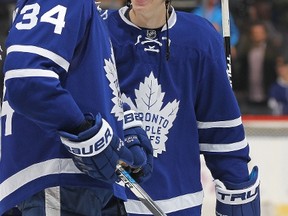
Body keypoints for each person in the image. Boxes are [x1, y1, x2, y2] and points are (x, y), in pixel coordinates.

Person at [105, 0, 260, 215]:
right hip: (109, 204)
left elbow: (222, 135)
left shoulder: (200, 38)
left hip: (180, 205)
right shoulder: (99, 32)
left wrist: (238, 192)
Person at [0, 0, 153, 215]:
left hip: (80, 183)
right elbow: (27, 80)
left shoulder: (88, 11)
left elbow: (84, 85)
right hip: (59, 176)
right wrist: (82, 131)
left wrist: (122, 124)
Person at [234, 20, 279, 115]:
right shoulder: (245, 52)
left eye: (260, 32)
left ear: (265, 34)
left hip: (268, 98)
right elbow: (241, 73)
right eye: (255, 33)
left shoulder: (273, 52)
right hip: (249, 98)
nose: (257, 35)